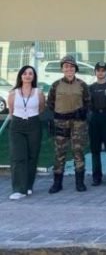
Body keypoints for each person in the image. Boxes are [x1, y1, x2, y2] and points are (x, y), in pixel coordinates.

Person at [47, 55, 91, 194]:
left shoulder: (82, 85)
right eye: (66, 66)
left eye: (72, 67)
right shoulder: (56, 85)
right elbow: (50, 103)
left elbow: (88, 102)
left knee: (78, 151)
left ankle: (80, 183)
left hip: (78, 123)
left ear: (75, 69)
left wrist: (82, 112)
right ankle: (57, 183)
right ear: (62, 69)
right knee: (60, 152)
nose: (69, 69)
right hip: (60, 122)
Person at [7, 66, 45, 200]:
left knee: (32, 156)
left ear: (33, 77)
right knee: (18, 157)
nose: (27, 76)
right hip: (17, 125)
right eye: (25, 73)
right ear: (20, 76)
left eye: (30, 74)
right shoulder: (13, 93)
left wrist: (30, 116)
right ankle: (18, 189)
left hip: (34, 124)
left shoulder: (38, 93)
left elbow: (41, 109)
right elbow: (11, 111)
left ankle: (28, 185)